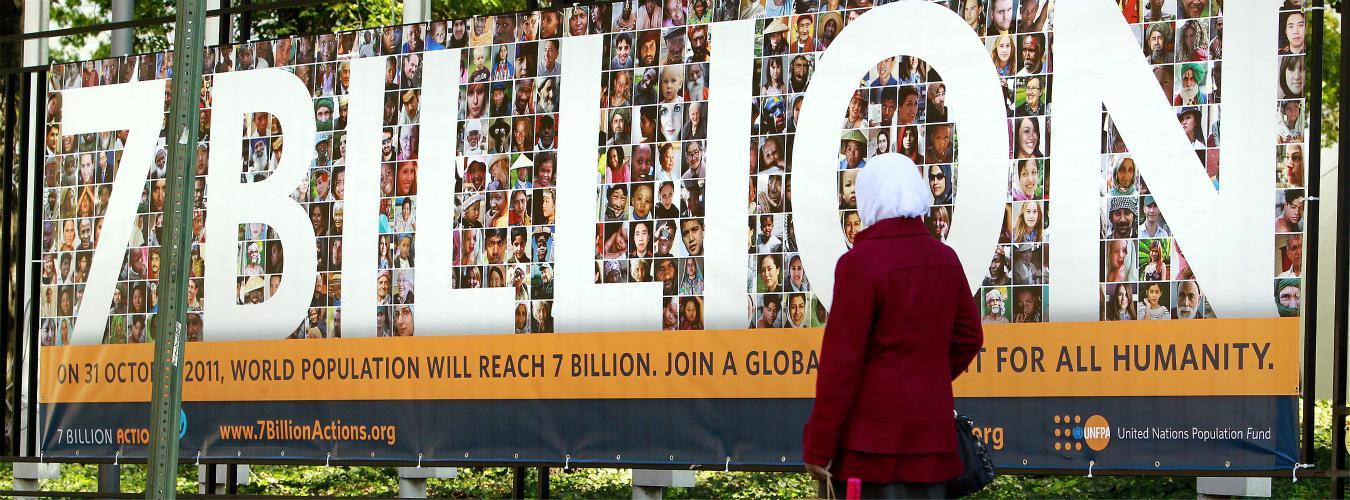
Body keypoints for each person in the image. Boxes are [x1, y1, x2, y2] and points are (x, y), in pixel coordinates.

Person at [803, 152, 983, 497]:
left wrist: (818, 446)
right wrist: (925, 378)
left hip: (868, 451)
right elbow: (969, 336)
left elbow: (841, 367)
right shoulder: (946, 260)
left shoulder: (859, 264)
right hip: (933, 443)